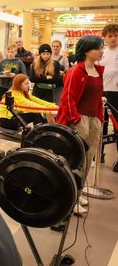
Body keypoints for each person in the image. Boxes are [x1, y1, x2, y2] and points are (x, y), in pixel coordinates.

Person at [57, 35, 105, 196]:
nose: (101, 51)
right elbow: (67, 98)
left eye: (101, 47)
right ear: (86, 50)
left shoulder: (97, 71)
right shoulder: (76, 71)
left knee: (88, 158)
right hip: (80, 120)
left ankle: (78, 193)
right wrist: (76, 119)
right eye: (97, 48)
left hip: (94, 120)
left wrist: (99, 117)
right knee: (77, 159)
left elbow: (98, 97)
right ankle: (69, 196)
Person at [100, 24, 118, 170]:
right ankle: (99, 154)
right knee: (101, 124)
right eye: (110, 36)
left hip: (116, 93)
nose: (113, 38)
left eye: (116, 36)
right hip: (101, 92)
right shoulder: (102, 52)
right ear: (105, 37)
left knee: (117, 126)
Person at [51, 40, 69, 105]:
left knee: (59, 101)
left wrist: (62, 72)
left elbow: (67, 69)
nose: (55, 48)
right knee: (49, 101)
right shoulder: (48, 57)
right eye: (54, 46)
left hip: (59, 82)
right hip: (49, 81)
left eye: (57, 46)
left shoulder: (64, 58)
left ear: (60, 47)